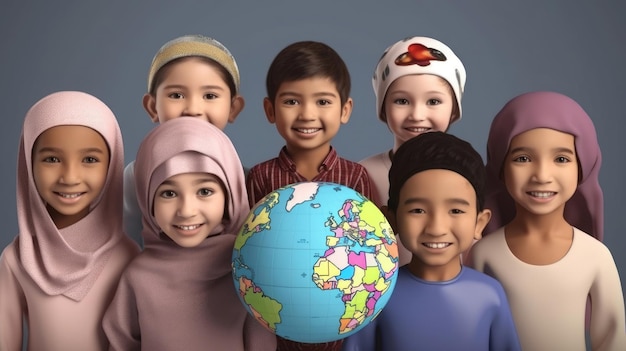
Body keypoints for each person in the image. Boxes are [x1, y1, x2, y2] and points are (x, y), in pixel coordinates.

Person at [470, 91, 626, 350]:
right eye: (523, 158)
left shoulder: (596, 256)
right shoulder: (485, 253)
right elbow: (472, 330)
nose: (542, 175)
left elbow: (613, 338)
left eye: (561, 159)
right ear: (500, 167)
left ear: (582, 168)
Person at [103, 118, 276, 350]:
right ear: (147, 198)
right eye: (168, 193)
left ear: (230, 195)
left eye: (205, 191)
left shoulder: (247, 269)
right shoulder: (138, 276)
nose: (186, 211)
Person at [342, 131, 520, 350]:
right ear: (391, 219)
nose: (436, 228)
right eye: (418, 210)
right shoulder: (376, 296)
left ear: (479, 223)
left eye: (455, 210)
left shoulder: (490, 295)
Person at [0, 91, 140, 350]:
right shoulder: (17, 258)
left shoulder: (126, 256)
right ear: (28, 163)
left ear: (112, 163)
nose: (70, 176)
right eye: (52, 159)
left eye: (89, 159)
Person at [124, 34, 245, 247]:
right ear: (152, 107)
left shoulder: (243, 177)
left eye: (209, 96)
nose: (193, 110)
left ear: (233, 108)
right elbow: (127, 242)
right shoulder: (134, 177)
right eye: (176, 95)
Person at [359, 36, 466, 266]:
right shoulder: (364, 174)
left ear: (454, 109)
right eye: (402, 101)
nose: (417, 115)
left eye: (434, 102)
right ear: (383, 108)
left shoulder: (468, 174)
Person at [246, 40, 377, 210]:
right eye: (291, 101)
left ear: (344, 111)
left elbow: (368, 232)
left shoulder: (355, 175)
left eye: (323, 101)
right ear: (270, 110)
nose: (307, 115)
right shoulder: (261, 176)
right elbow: (247, 234)